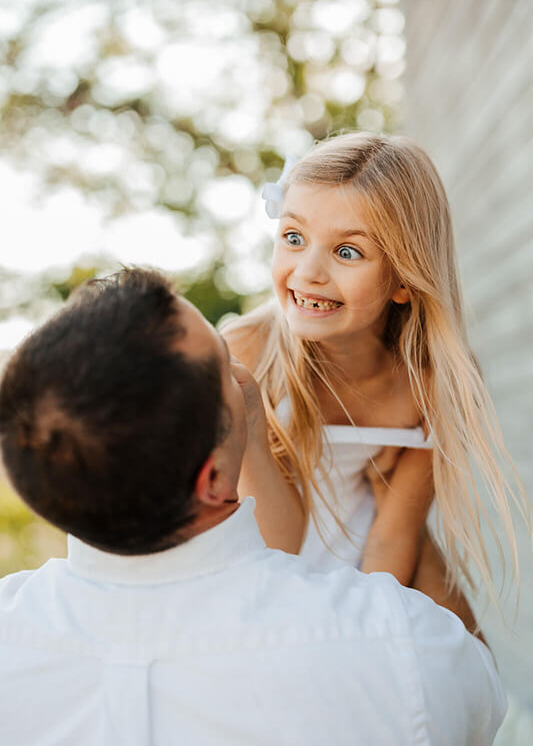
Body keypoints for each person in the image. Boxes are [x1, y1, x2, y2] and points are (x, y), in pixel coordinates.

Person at [0, 267, 505, 745]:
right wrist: (412, 521)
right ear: (214, 478)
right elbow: (479, 696)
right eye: (226, 366)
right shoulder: (399, 643)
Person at [223, 132, 529, 597]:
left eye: (348, 252)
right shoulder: (246, 351)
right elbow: (243, 532)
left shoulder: (431, 380)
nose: (308, 272)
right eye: (293, 237)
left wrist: (366, 629)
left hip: (374, 578)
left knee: (462, 650)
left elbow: (394, 536)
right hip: (260, 573)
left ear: (403, 280)